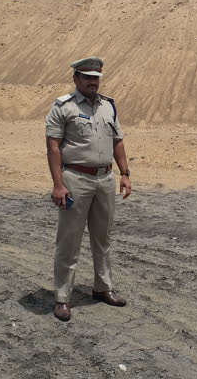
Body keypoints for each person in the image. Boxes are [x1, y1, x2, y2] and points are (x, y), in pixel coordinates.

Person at [45, 57, 132, 322]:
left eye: (96, 78)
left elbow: (117, 141)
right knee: (69, 241)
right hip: (75, 180)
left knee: (103, 237)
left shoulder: (108, 106)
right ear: (76, 78)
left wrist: (125, 173)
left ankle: (103, 288)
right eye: (87, 77)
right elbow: (53, 147)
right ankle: (62, 297)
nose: (92, 82)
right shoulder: (63, 107)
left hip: (104, 179)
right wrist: (58, 184)